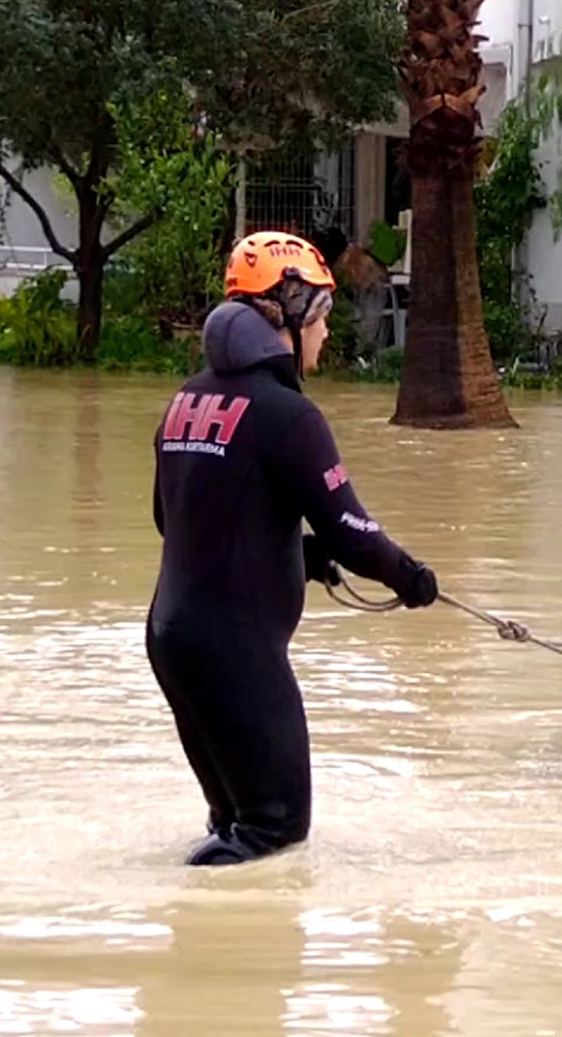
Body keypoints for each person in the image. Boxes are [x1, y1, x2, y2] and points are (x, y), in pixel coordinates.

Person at [146, 231, 439, 866]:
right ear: (292, 310)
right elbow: (351, 530)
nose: (327, 335)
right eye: (323, 317)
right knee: (273, 832)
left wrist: (296, 558)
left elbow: (175, 520)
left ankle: (195, 951)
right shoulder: (289, 415)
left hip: (172, 638)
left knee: (235, 822)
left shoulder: (184, 402)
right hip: (236, 650)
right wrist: (408, 576)